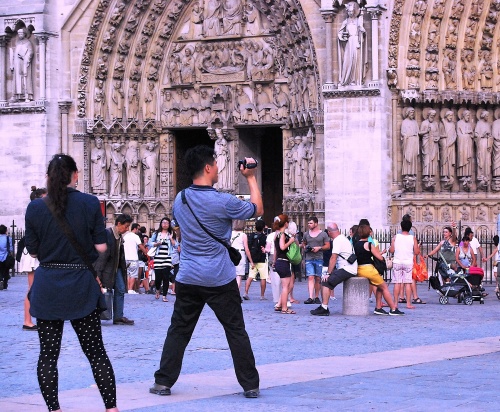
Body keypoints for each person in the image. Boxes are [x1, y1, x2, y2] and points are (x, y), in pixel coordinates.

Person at [150, 145, 262, 398]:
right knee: (235, 330)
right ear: (208, 168)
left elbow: (182, 228)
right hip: (219, 277)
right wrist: (251, 178)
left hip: (188, 275)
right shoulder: (222, 201)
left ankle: (163, 382)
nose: (218, 169)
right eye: (216, 164)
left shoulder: (181, 199)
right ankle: (250, 384)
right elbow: (257, 209)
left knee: (179, 330)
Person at [25, 154, 119, 412]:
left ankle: (54, 409)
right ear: (75, 175)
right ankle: (111, 408)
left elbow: (32, 251)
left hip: (49, 288)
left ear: (49, 177)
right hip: (80, 286)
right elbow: (101, 246)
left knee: (48, 355)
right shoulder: (90, 203)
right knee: (96, 352)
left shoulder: (35, 207)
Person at [94, 214, 135, 326]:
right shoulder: (108, 234)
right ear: (119, 224)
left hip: (117, 269)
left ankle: (118, 317)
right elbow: (102, 256)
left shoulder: (119, 236)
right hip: (108, 269)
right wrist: (98, 274)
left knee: (121, 289)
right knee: (104, 291)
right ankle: (96, 315)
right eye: (126, 226)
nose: (127, 229)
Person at [354, 224, 404, 316]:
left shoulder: (356, 244)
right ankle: (393, 308)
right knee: (384, 287)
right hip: (369, 269)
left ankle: (378, 307)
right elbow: (379, 257)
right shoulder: (369, 244)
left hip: (360, 268)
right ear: (368, 233)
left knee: (380, 287)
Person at [310, 222, 358, 316]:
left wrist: (328, 273)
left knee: (326, 282)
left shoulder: (337, 240)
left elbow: (333, 257)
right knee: (325, 281)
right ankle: (323, 306)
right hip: (347, 268)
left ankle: (324, 308)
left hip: (347, 269)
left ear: (329, 232)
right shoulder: (342, 238)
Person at [19, 186, 47, 330]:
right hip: (33, 253)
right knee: (32, 288)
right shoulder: (36, 211)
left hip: (35, 252)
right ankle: (27, 320)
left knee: (37, 287)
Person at [389, 220, 420, 310]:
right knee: (407, 283)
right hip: (408, 262)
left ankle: (395, 303)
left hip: (397, 261)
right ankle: (408, 303)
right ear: (410, 228)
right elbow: (417, 252)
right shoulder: (412, 238)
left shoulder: (396, 237)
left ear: (401, 227)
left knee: (397, 283)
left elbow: (391, 250)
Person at [302, 216, 331, 304]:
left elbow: (328, 246)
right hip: (309, 258)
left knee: (318, 278)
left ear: (316, 223)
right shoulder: (306, 234)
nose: (309, 225)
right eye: (308, 223)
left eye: (311, 223)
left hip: (319, 257)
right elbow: (303, 244)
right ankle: (310, 297)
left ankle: (317, 296)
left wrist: (319, 248)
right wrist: (306, 247)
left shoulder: (323, 234)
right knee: (310, 277)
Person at [148, 217, 177, 302]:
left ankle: (164, 296)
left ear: (169, 224)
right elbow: (149, 243)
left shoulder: (172, 233)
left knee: (166, 277)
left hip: (167, 258)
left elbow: (175, 245)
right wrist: (156, 244)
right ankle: (157, 289)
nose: (165, 224)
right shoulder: (156, 233)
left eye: (167, 223)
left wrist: (171, 239)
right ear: (161, 224)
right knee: (158, 278)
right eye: (163, 222)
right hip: (158, 258)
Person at [273, 214, 297, 314]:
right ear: (286, 223)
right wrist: (290, 241)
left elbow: (276, 250)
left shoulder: (276, 235)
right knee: (285, 286)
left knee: (285, 286)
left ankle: (279, 305)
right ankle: (284, 308)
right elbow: (282, 247)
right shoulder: (282, 235)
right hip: (284, 261)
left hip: (279, 261)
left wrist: (274, 262)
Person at [243, 219, 269, 300]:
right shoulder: (264, 237)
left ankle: (246, 292)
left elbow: (248, 247)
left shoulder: (251, 236)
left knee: (250, 276)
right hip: (261, 258)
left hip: (253, 259)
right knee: (263, 277)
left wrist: (250, 260)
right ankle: (262, 295)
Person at [123, 223, 148, 294]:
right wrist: (145, 252)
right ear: (135, 229)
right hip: (133, 257)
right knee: (133, 274)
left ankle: (128, 289)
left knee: (128, 274)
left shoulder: (125, 236)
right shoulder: (136, 237)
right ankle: (130, 289)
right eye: (138, 229)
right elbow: (140, 246)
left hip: (126, 257)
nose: (139, 231)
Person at [231, 219, 249, 290]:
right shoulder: (243, 235)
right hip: (240, 253)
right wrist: (250, 259)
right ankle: (237, 292)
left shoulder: (231, 233)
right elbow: (246, 248)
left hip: (231, 253)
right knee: (239, 276)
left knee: (232, 275)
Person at [0, 224, 14, 291]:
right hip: (6, 257)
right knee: (6, 271)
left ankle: (0, 280)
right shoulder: (9, 238)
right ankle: (5, 284)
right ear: (5, 231)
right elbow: (11, 249)